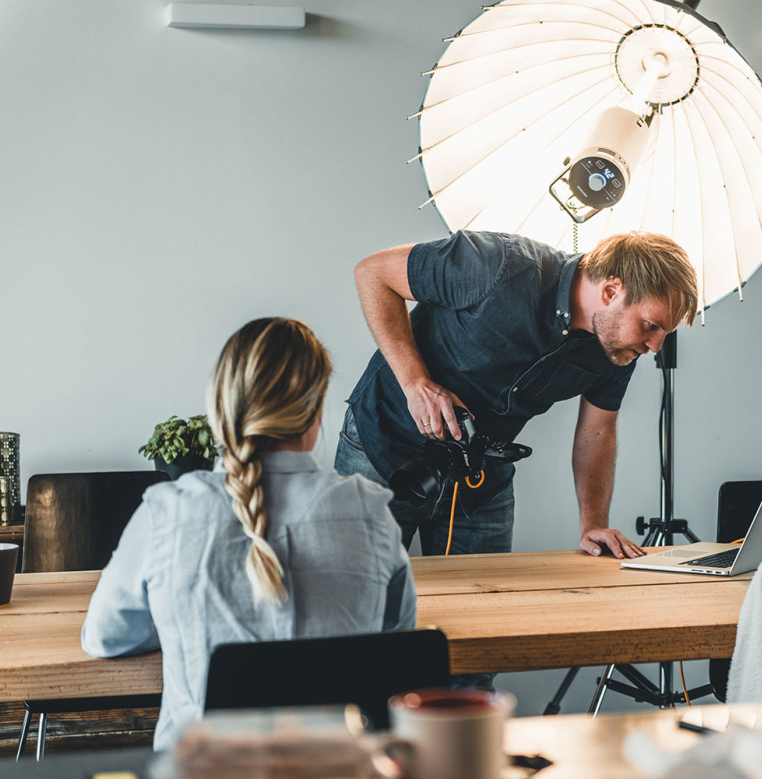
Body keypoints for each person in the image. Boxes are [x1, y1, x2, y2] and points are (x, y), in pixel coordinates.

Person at [82, 318, 416, 750]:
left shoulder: (167, 513)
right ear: (315, 412)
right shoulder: (371, 514)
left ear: (220, 408)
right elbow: (395, 637)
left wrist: (173, 620)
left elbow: (105, 636)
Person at [336, 230, 699, 560]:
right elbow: (373, 273)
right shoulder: (495, 264)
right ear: (610, 291)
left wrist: (592, 525)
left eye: (663, 333)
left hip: (479, 483)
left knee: (485, 621)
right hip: (381, 448)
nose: (654, 346)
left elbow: (597, 432)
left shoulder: (618, 349)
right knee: (360, 609)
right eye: (651, 326)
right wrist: (415, 382)